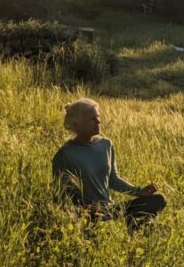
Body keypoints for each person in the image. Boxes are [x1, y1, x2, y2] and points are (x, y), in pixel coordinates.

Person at [52, 98, 167, 232]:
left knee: (159, 200)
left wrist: (139, 191)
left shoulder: (106, 144)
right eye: (92, 119)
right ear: (77, 124)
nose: (99, 121)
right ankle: (127, 227)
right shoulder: (65, 154)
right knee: (96, 220)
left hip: (110, 209)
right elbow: (59, 196)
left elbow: (113, 180)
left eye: (98, 117)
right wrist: (82, 209)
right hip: (88, 215)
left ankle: (131, 225)